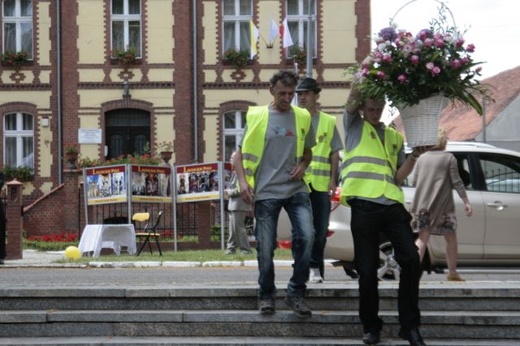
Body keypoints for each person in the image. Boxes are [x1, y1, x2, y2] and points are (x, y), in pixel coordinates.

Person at [340, 80, 428, 346]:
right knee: (367, 271)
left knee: (412, 260)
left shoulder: (393, 137)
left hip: (391, 205)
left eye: (379, 107)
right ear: (363, 108)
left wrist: (414, 156)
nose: (375, 111)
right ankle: (371, 326)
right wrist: (368, 69)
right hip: (364, 206)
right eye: (370, 107)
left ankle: (409, 326)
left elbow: (398, 177)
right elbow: (353, 95)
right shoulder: (354, 126)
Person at [234, 69, 316, 318]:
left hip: (296, 189)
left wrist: (302, 166)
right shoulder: (258, 116)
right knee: (266, 247)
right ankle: (267, 295)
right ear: (271, 91)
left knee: (307, 236)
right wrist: (243, 182)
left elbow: (308, 152)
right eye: (282, 93)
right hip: (267, 191)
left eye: (291, 94)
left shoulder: (302, 117)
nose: (287, 98)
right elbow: (238, 155)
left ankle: (296, 293)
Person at [296, 77, 343, 283]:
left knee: (321, 230)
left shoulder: (328, 121)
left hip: (321, 185)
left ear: (316, 96)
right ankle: (303, 268)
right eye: (299, 94)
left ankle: (314, 267)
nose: (302, 97)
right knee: (301, 231)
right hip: (298, 185)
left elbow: (334, 152)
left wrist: (333, 179)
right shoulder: (293, 118)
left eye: (306, 93)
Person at [410, 128, 473, 282]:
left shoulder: (421, 158)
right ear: (443, 141)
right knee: (450, 239)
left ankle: (412, 275)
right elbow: (457, 182)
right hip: (444, 208)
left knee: (422, 239)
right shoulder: (449, 158)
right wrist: (466, 202)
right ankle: (452, 272)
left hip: (423, 207)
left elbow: (414, 182)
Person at [224, 151, 253, 255]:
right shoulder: (235, 173)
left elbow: (240, 189)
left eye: (232, 158)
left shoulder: (241, 173)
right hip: (234, 205)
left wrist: (228, 192)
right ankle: (231, 248)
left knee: (239, 228)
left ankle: (246, 249)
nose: (231, 161)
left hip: (239, 204)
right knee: (233, 229)